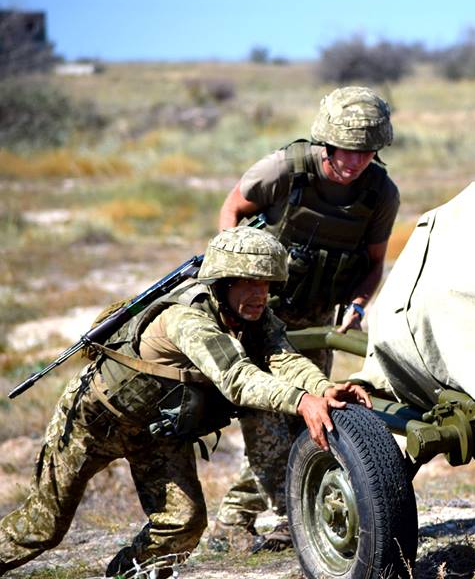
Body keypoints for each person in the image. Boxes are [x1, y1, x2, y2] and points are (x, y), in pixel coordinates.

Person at [0, 227, 370, 578]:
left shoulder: (253, 316)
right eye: (249, 283)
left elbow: (282, 358)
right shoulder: (188, 319)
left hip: (155, 432)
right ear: (222, 283)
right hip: (93, 424)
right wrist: (301, 401)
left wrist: (322, 389)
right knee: (43, 527)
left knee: (183, 524)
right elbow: (237, 378)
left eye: (267, 284)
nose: (260, 294)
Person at [212, 86, 400, 551]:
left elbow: (375, 261)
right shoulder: (285, 170)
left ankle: (252, 516)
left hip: (319, 318)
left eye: (366, 153)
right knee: (265, 414)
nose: (356, 162)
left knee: (306, 419)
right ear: (327, 142)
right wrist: (238, 282)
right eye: (347, 152)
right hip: (263, 311)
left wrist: (359, 303)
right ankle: (262, 517)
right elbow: (232, 210)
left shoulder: (380, 193)